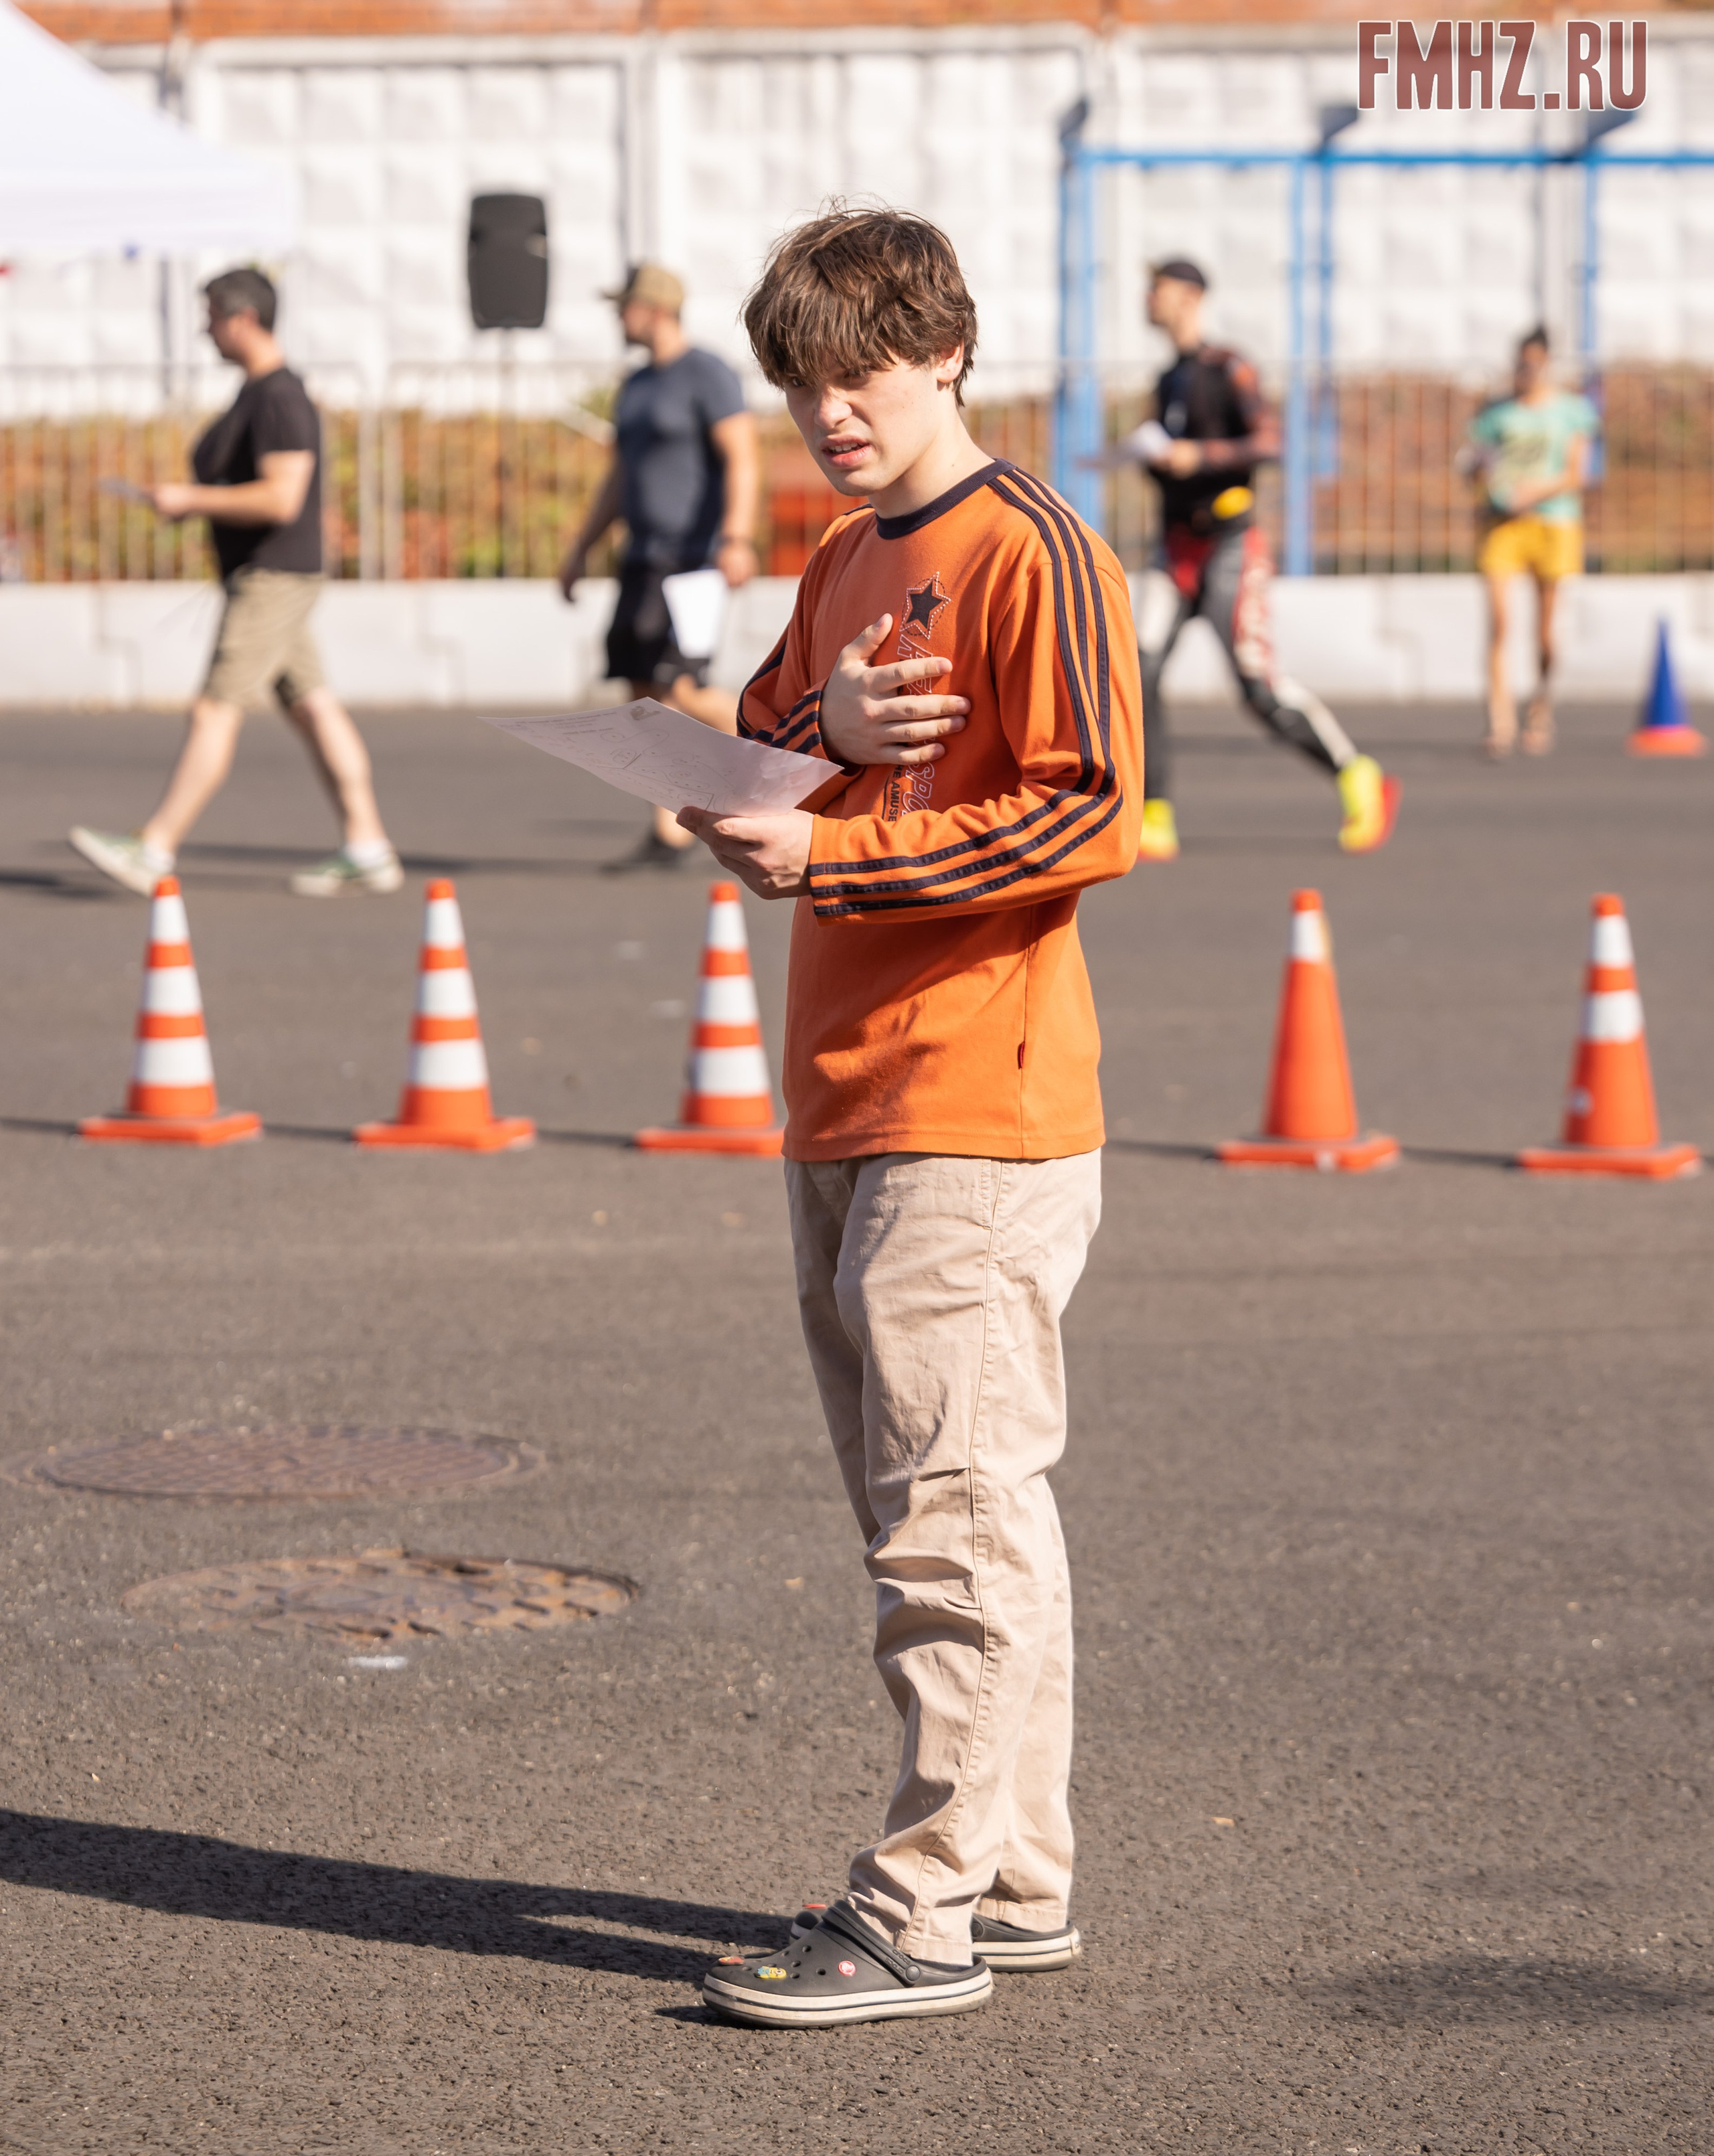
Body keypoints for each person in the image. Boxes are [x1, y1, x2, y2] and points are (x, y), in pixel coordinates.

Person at [676, 208, 1143, 2029]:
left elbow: (1090, 813)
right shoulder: (843, 562)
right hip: (852, 1089)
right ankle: (1016, 1876)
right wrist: (824, 743)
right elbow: (763, 735)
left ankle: (923, 1904)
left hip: (982, 1098)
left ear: (946, 352)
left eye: (859, 375)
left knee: (953, 1511)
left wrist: (841, 852)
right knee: (948, 1505)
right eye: (802, 384)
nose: (830, 414)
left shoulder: (1033, 549)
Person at [70, 268, 400, 899]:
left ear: (242, 318)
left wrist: (189, 497)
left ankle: (155, 846)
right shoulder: (260, 392)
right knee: (313, 707)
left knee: (215, 706)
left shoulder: (279, 397)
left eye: (211, 317)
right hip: (271, 575)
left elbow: (283, 498)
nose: (205, 330)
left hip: (273, 576)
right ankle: (369, 845)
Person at [1122, 257, 1397, 860]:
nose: (1148, 298)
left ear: (1191, 297)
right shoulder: (1168, 378)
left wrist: (1196, 456)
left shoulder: (1230, 367)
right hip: (1175, 549)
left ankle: (1357, 774)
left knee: (1257, 687)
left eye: (1158, 288)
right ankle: (1154, 811)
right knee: (1136, 675)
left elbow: (1268, 441)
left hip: (1228, 546)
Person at [558, 261, 761, 868]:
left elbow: (742, 458)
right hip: (642, 558)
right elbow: (620, 477)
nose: (618, 317)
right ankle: (669, 833)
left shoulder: (707, 374)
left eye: (624, 306)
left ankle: (785, 756)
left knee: (684, 686)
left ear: (652, 308)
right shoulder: (637, 385)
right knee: (643, 695)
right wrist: (581, 548)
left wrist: (737, 537)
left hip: (694, 559)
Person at [1468, 326, 1596, 758]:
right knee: (1500, 623)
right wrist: (1484, 485)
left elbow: (1578, 473)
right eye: (1521, 364)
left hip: (1553, 523)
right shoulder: (1495, 413)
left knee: (1544, 633)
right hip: (1503, 524)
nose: (1528, 372)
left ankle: (1540, 706)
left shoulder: (1572, 411)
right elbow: (1479, 464)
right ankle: (1499, 722)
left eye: (1535, 364)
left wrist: (1531, 494)